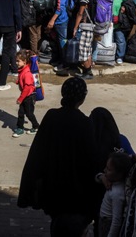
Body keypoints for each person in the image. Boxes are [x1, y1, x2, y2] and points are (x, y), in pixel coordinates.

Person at [18, 77, 100, 236]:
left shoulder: (51, 116)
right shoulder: (84, 122)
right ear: (82, 98)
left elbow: (37, 153)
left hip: (53, 186)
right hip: (75, 191)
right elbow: (90, 159)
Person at [96, 151, 134, 237]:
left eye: (109, 169)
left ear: (120, 174)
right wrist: (102, 177)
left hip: (107, 225)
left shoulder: (117, 193)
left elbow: (116, 221)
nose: (105, 170)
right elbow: (97, 178)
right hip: (103, 221)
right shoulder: (111, 181)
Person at [12, 49, 40, 138]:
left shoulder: (26, 73)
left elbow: (27, 88)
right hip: (26, 96)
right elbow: (23, 81)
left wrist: (20, 99)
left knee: (29, 113)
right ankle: (20, 127)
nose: (16, 63)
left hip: (29, 97)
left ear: (24, 61)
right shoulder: (23, 70)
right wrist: (18, 82)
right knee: (21, 112)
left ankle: (36, 126)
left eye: (18, 61)